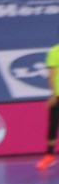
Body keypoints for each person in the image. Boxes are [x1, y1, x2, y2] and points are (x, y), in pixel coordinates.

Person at [38, 33, 59, 170]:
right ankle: (49, 155)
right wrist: (53, 94)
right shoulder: (54, 52)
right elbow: (51, 75)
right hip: (58, 96)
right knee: (53, 125)